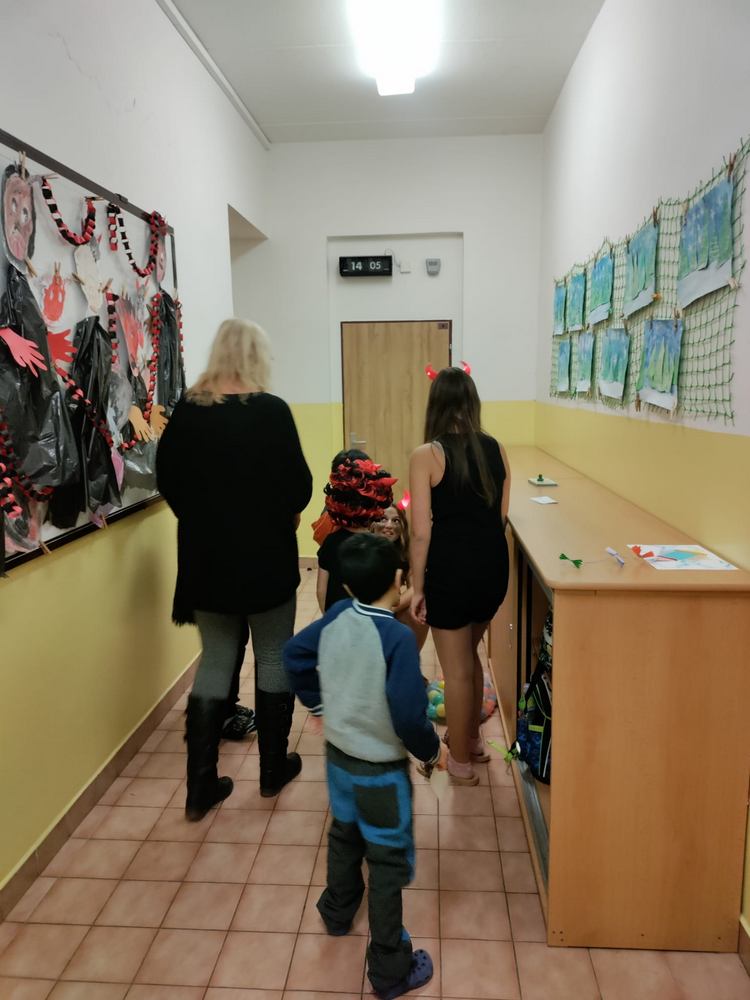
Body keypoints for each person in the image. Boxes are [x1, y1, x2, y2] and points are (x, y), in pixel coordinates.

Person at [156, 318, 313, 818]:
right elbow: (299, 487)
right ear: (256, 357)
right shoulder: (272, 411)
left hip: (206, 562)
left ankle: (200, 786)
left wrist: (205, 520)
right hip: (266, 559)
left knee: (216, 659)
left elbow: (167, 481)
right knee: (272, 656)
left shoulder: (188, 412)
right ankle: (272, 771)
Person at [284, 533, 444, 1000]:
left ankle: (337, 911)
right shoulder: (396, 637)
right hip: (381, 773)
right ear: (399, 579)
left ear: (350, 586)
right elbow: (408, 713)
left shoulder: (337, 613)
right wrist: (431, 751)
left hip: (338, 759)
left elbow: (294, 655)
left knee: (344, 833)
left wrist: (319, 705)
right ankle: (391, 968)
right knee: (388, 862)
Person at [409, 366, 510, 786]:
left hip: (451, 573)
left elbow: (420, 532)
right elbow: (500, 518)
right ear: (472, 403)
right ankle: (473, 742)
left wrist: (417, 587)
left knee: (457, 671)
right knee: (469, 655)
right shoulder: (496, 449)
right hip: (493, 570)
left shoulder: (426, 455)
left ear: (436, 405)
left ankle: (461, 763)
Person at [316, 452, 396, 612]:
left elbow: (321, 590)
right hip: (369, 621)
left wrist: (327, 616)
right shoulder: (379, 546)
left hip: (337, 618)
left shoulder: (330, 542)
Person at [371, 504, 428, 651]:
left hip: (391, 608)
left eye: (396, 520)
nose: (389, 525)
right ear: (372, 523)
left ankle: (410, 658)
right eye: (383, 519)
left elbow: (416, 587)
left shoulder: (404, 552)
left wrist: (390, 608)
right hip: (366, 611)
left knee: (421, 606)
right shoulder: (364, 550)